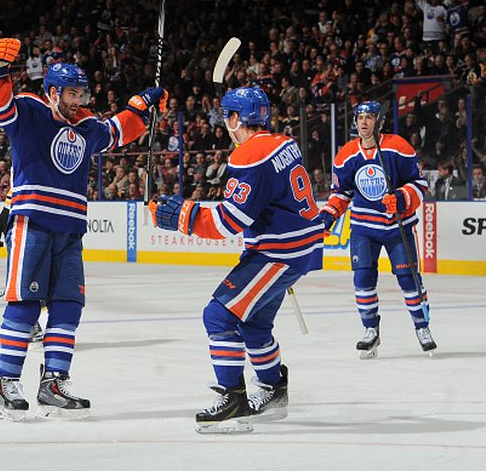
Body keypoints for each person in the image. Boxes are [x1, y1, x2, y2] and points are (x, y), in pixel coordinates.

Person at [0, 38, 167, 421]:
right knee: (26, 304)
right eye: (70, 92)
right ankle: (6, 383)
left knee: (68, 305)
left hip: (70, 229)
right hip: (32, 222)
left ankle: (53, 382)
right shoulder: (31, 111)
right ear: (52, 91)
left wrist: (143, 106)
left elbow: (118, 130)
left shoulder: (85, 124)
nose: (77, 99)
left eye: (81, 92)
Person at [150, 87, 324, 433]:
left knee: (218, 315)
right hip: (300, 245)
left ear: (233, 119)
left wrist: (181, 217)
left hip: (278, 252)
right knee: (254, 324)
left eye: (226, 117)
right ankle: (273, 389)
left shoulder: (250, 155)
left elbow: (230, 221)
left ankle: (233, 398)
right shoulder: (283, 142)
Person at [318, 101, 436, 359]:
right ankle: (370, 330)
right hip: (363, 229)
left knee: (408, 279)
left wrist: (403, 199)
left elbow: (419, 184)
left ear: (379, 121)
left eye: (369, 117)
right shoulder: (347, 154)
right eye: (360, 117)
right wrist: (328, 215)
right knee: (363, 280)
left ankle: (422, 327)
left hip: (397, 228)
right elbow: (341, 192)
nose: (363, 122)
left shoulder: (398, 147)